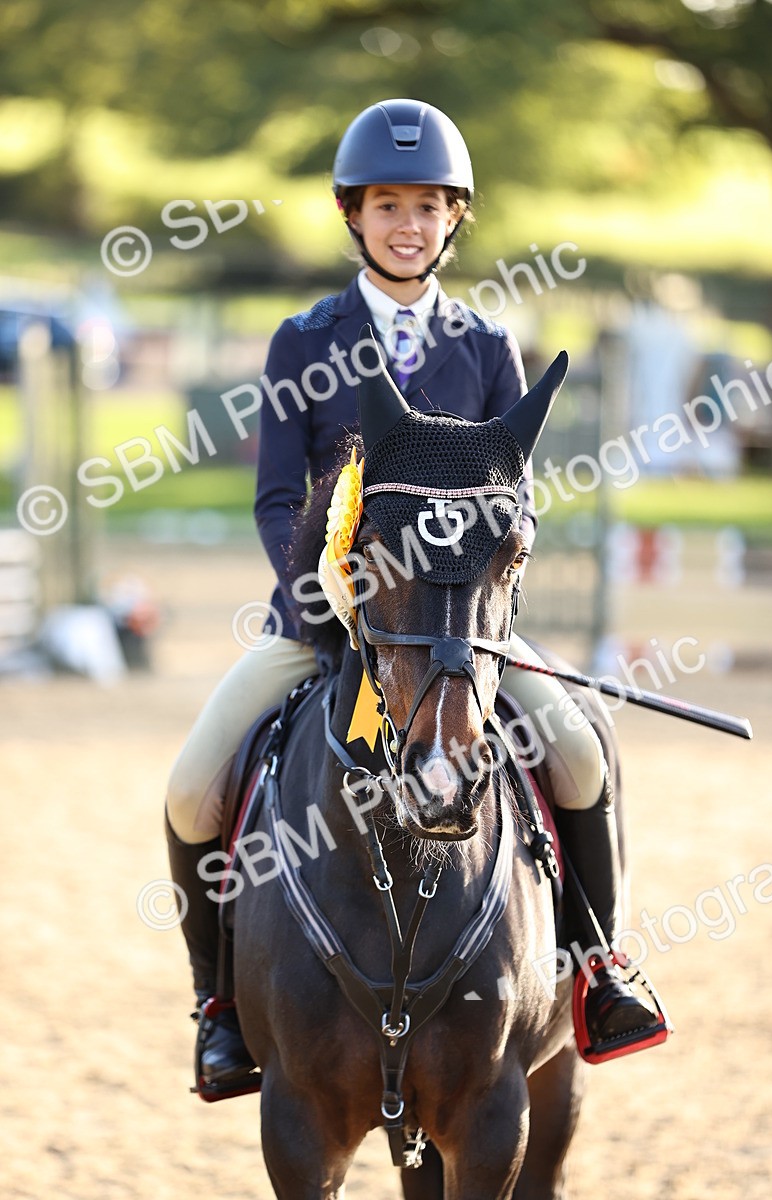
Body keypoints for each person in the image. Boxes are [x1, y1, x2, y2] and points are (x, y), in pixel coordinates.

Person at [165, 98, 659, 1093]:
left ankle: (599, 966)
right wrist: (323, 590)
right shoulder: (304, 339)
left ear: (452, 220)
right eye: (387, 205)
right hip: (323, 625)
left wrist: (482, 601)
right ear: (353, 215)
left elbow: (510, 505)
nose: (406, 224)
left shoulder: (485, 346)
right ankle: (218, 1007)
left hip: (457, 640)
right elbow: (274, 495)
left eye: (427, 206)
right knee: (190, 786)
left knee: (574, 751)